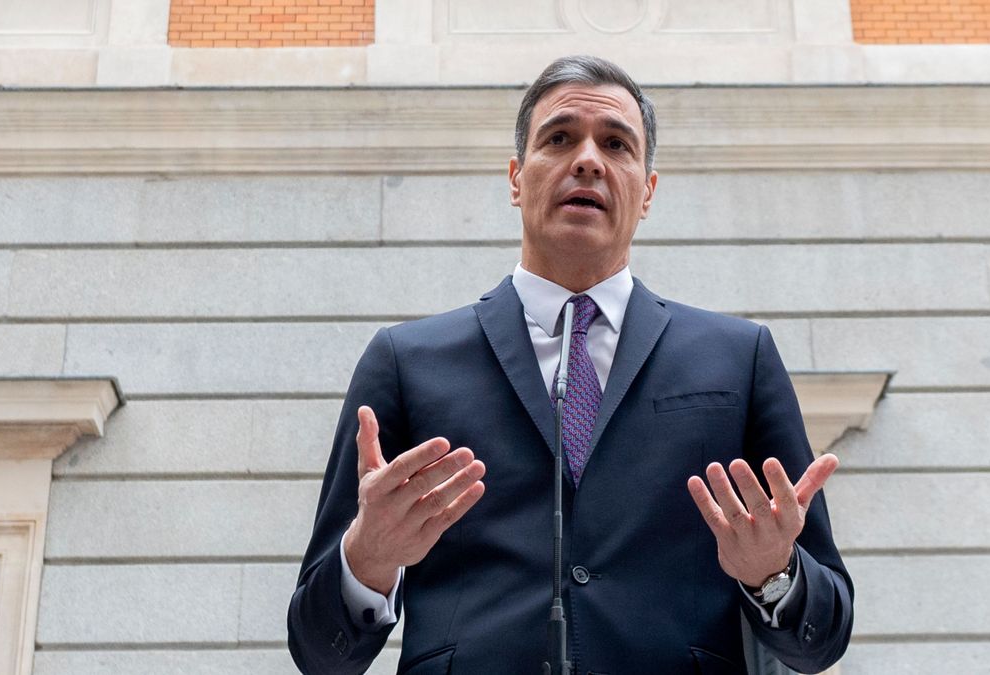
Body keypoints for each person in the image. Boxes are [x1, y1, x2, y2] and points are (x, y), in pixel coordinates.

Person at [288, 55, 853, 675]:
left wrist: (774, 574)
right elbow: (319, 654)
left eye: (616, 144)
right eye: (559, 139)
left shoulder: (738, 358)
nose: (588, 159)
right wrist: (366, 560)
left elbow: (820, 642)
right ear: (515, 178)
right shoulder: (406, 361)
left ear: (647, 192)